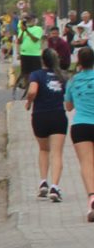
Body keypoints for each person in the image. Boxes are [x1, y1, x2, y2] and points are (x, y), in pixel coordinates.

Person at [26, 48, 68, 204]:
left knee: (44, 149)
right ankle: (55, 186)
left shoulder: (36, 74)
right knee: (57, 152)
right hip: (58, 115)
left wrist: (29, 102)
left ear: (42, 60)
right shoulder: (62, 76)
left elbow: (32, 91)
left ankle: (43, 181)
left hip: (39, 116)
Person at [65, 46, 94, 222]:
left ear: (79, 62)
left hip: (81, 125)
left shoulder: (73, 81)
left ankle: (92, 197)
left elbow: (68, 106)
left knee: (86, 163)